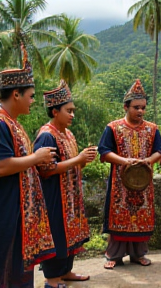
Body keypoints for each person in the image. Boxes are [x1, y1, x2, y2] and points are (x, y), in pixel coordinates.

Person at [0, 46, 56, 287]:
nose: (33, 101)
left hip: (19, 211)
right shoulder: (2, 123)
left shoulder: (14, 124)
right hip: (7, 209)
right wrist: (36, 158)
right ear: (16, 94)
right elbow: (2, 166)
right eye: (31, 96)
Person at [33, 80, 97, 287]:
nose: (72, 115)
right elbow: (45, 169)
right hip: (54, 195)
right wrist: (78, 160)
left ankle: (66, 271)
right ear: (54, 111)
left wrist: (82, 161)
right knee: (56, 234)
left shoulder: (68, 134)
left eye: (73, 111)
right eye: (68, 111)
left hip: (70, 195)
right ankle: (52, 278)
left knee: (70, 235)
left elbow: (71, 165)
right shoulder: (46, 136)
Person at [98, 79, 161, 269]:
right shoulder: (113, 128)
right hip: (120, 182)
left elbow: (160, 150)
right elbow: (104, 151)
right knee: (119, 214)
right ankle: (114, 255)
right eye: (136, 107)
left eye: (143, 107)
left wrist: (148, 161)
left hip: (143, 182)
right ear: (125, 107)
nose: (140, 111)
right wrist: (124, 161)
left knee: (141, 216)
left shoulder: (152, 129)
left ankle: (138, 254)